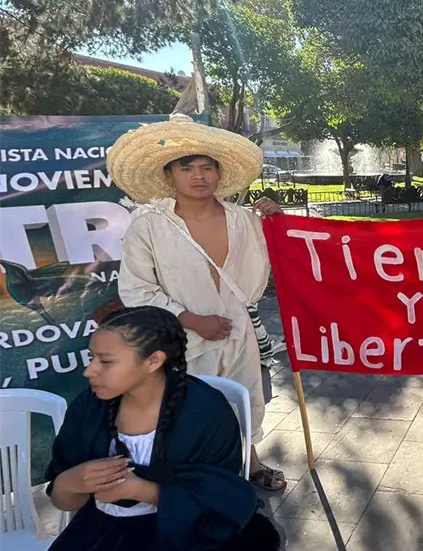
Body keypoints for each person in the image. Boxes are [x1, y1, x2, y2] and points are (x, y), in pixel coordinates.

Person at [107, 115, 287, 491]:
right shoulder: (149, 226)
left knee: (245, 399)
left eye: (207, 167)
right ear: (170, 175)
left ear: (220, 174)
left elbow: (284, 258)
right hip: (181, 341)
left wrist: (278, 222)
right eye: (186, 167)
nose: (198, 175)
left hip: (238, 333)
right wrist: (189, 318)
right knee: (185, 409)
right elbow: (137, 289)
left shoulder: (245, 221)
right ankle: (195, 481)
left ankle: (250, 463)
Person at [45, 306, 281, 551]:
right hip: (100, 530)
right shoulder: (88, 408)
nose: (89, 371)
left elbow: (223, 502)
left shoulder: (206, 413)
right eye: (91, 358)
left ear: (154, 360)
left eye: (105, 361)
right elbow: (63, 500)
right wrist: (74, 481)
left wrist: (143, 491)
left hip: (187, 536)